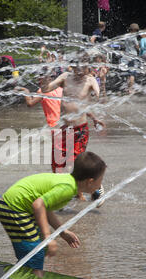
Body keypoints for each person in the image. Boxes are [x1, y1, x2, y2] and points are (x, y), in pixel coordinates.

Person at [0, 151, 106, 275]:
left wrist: (62, 232)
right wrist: (48, 237)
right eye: (100, 180)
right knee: (34, 253)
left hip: (16, 206)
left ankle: (24, 276)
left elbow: (45, 208)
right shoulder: (67, 189)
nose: (100, 184)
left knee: (35, 251)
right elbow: (38, 205)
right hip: (14, 208)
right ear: (90, 181)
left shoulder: (69, 182)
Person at [41, 62, 106, 193]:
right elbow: (46, 89)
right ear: (72, 66)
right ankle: (61, 190)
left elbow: (95, 98)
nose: (79, 69)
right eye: (77, 66)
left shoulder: (90, 80)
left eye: (83, 66)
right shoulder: (65, 77)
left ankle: (84, 190)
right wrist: (45, 77)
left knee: (77, 163)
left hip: (79, 129)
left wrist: (98, 94)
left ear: (88, 66)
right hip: (64, 128)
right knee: (57, 163)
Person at [122, 23, 140, 94]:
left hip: (126, 56)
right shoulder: (133, 37)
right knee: (132, 73)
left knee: (128, 73)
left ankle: (127, 88)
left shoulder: (126, 36)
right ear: (134, 30)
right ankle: (130, 89)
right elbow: (137, 47)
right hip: (133, 55)